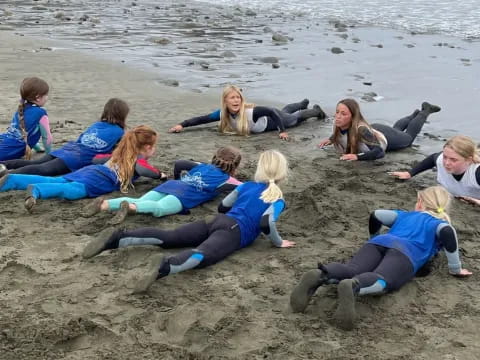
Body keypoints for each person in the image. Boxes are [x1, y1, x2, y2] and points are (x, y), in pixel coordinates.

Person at [82, 150, 296, 293]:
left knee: (170, 237)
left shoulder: (246, 185)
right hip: (233, 232)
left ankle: (117, 238)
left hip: (216, 220)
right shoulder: (278, 199)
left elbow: (224, 206)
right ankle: (165, 267)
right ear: (283, 173)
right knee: (204, 255)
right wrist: (279, 242)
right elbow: (266, 223)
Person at [289, 186, 472, 330]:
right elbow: (447, 232)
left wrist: (374, 237)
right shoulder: (439, 223)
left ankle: (322, 275)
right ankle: (354, 286)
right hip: (406, 254)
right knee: (384, 278)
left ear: (419, 203)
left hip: (379, 242)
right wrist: (455, 268)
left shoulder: (405, 215)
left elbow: (376, 214)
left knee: (352, 269)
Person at [0, 125, 162, 212]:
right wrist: (160, 175)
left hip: (90, 171)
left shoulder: (118, 154)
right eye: (154, 147)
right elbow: (145, 170)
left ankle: (13, 180)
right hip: (97, 180)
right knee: (70, 190)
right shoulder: (138, 159)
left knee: (58, 180)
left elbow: (96, 159)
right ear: (147, 147)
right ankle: (37, 191)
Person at [83, 146, 243, 224]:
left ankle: (104, 204)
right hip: (185, 196)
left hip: (172, 185)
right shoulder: (228, 180)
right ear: (234, 167)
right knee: (159, 208)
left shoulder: (201, 165)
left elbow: (180, 163)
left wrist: (177, 177)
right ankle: (131, 208)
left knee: (140, 199)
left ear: (214, 158)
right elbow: (243, 188)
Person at [0, 98, 128, 176]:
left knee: (34, 163)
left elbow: (81, 139)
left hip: (68, 149)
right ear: (123, 116)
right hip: (75, 158)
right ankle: (8, 175)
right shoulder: (120, 133)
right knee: (41, 169)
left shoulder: (97, 124)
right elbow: (115, 154)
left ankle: (3, 164)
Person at [168, 85, 326, 140]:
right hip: (274, 115)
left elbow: (272, 112)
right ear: (225, 101)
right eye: (232, 98)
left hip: (272, 120)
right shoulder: (222, 113)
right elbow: (202, 119)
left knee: (294, 118)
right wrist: (182, 125)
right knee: (285, 110)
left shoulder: (251, 112)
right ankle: (302, 103)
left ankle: (316, 111)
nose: (236, 101)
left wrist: (282, 131)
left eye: (238, 97)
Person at [317, 98, 441, 161]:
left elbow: (379, 152)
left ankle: (425, 111)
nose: (338, 116)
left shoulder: (361, 130)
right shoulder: (338, 124)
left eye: (343, 114)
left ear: (353, 116)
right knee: (396, 129)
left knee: (408, 138)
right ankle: (412, 116)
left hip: (384, 137)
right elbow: (344, 133)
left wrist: (358, 157)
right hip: (375, 131)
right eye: (337, 112)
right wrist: (331, 139)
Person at [389, 135, 480, 205]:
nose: (447, 163)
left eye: (453, 160)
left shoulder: (476, 173)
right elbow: (432, 158)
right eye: (445, 157)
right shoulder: (441, 160)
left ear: (468, 160)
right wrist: (409, 173)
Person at [0, 77, 52, 161]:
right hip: (14, 148)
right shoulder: (41, 113)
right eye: (46, 95)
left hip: (6, 139)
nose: (47, 97)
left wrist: (38, 148)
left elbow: (25, 131)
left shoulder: (20, 109)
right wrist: (49, 155)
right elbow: (47, 137)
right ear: (38, 97)